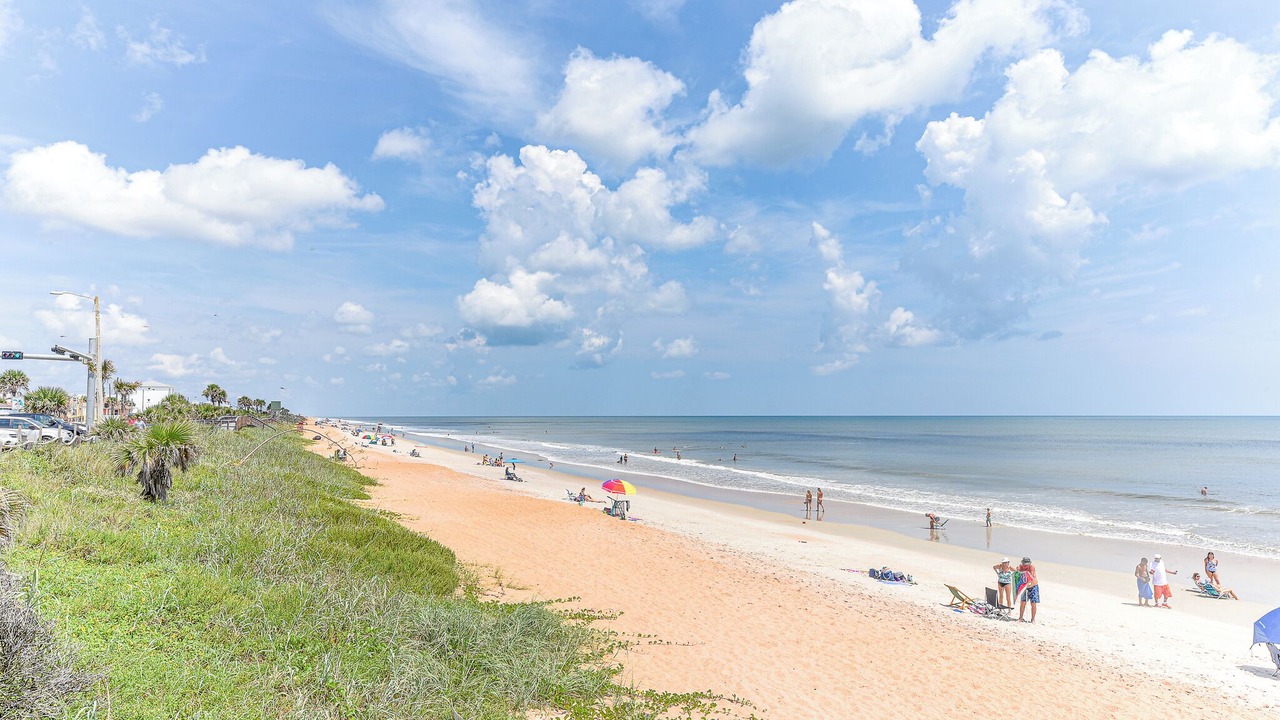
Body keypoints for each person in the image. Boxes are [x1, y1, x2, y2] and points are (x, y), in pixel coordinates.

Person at [1017, 557, 1039, 622]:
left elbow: (1031, 576)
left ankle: (1033, 619)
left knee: (1033, 603)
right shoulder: (1020, 567)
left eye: (1027, 564)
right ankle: (1020, 618)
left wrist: (1023, 572)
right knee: (1023, 602)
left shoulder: (1031, 567)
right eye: (1025, 564)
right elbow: (1017, 574)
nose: (1026, 566)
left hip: (1033, 586)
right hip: (1025, 587)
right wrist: (1018, 571)